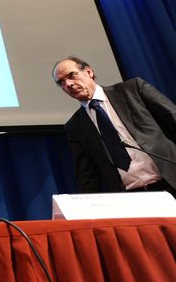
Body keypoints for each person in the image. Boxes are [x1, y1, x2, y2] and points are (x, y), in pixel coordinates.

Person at [53, 56, 176, 196]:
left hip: (171, 183)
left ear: (88, 71)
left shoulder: (133, 89)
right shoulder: (75, 126)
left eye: (72, 75)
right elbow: (87, 174)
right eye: (61, 82)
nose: (68, 84)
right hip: (129, 199)